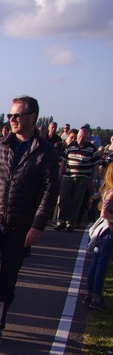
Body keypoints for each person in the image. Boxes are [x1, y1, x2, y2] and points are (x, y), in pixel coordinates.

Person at [0, 95, 59, 346]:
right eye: (10, 115)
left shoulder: (45, 151)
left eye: (18, 115)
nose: (12, 119)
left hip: (20, 225)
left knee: (8, 278)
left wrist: (37, 225)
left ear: (33, 116)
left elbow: (50, 191)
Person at [56, 125, 99, 231]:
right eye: (79, 137)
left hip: (82, 177)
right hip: (68, 175)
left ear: (87, 138)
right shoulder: (70, 147)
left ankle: (71, 223)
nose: (80, 139)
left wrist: (94, 179)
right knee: (63, 199)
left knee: (76, 201)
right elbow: (63, 162)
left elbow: (96, 165)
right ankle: (60, 221)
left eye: (83, 137)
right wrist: (59, 175)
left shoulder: (91, 148)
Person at [83, 167, 113, 310]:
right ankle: (96, 297)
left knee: (96, 262)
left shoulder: (106, 188)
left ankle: (90, 294)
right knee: (101, 263)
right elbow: (105, 213)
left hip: (103, 230)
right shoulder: (111, 192)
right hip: (108, 231)